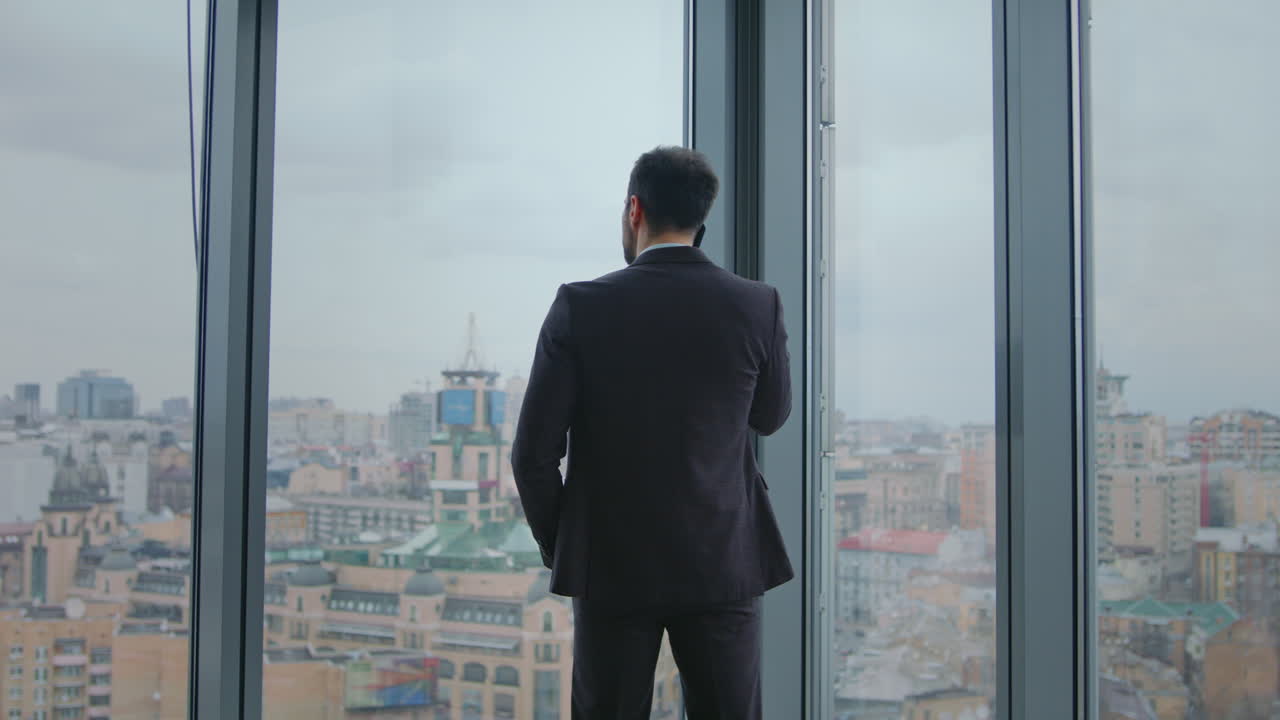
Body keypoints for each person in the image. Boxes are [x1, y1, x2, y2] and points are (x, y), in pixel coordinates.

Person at [512, 146, 793, 719]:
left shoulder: (580, 306)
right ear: (701, 221)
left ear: (634, 210)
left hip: (612, 566)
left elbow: (533, 457)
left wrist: (563, 545)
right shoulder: (756, 305)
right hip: (724, 561)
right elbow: (770, 416)